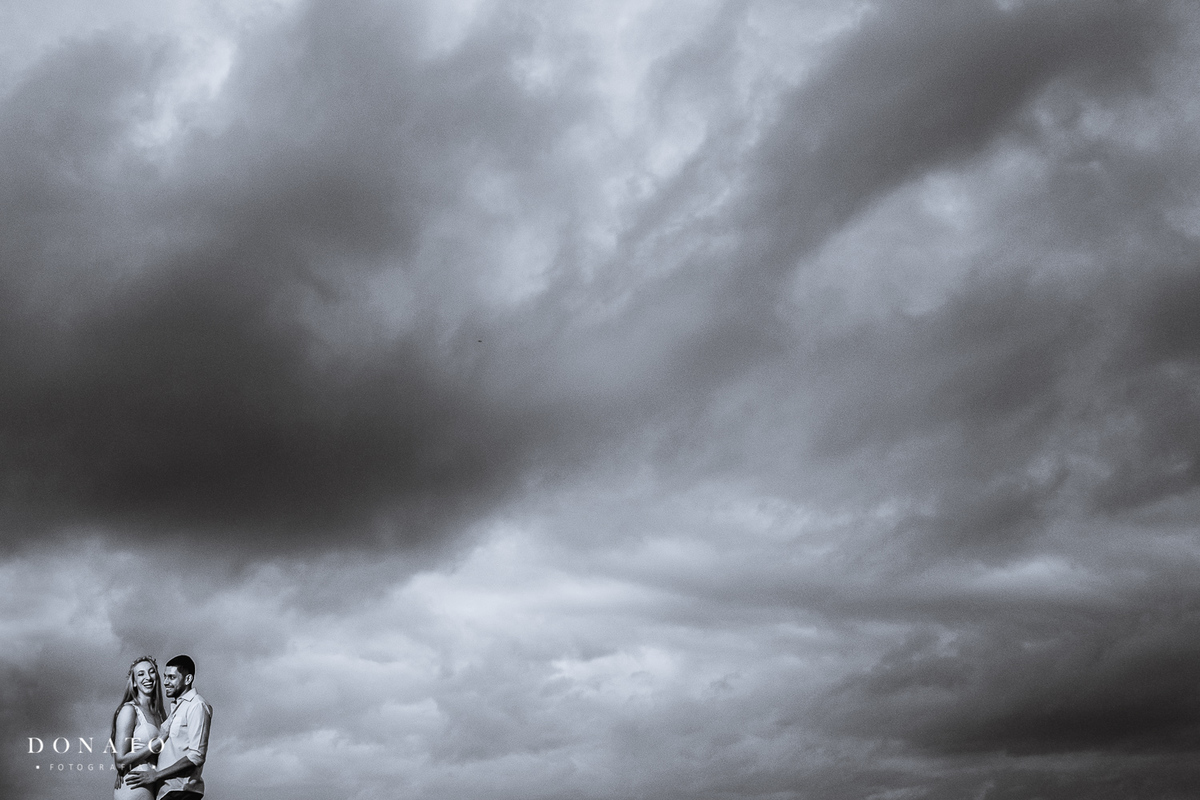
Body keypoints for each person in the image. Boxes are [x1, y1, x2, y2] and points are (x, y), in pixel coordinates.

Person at [123, 654, 212, 800]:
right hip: (166, 793)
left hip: (182, 792)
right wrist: (126, 769)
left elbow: (196, 756)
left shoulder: (197, 705)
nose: (165, 682)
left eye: (171, 677)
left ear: (188, 679)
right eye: (164, 677)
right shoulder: (175, 708)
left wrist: (156, 775)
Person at [112, 656, 168, 800]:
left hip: (155, 787)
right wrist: (156, 744)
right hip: (135, 788)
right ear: (134, 682)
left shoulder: (161, 714)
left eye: (151, 672)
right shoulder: (129, 710)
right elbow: (120, 761)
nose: (148, 677)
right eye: (141, 674)